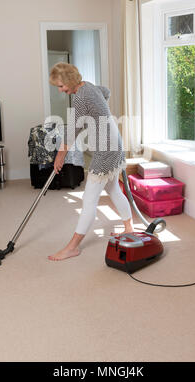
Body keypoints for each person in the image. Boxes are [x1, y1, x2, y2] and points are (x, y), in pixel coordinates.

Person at [48, 62, 133, 261]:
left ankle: (72, 247)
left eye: (61, 86)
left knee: (89, 199)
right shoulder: (89, 86)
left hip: (105, 151)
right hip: (115, 143)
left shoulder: (80, 98)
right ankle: (129, 228)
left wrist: (59, 157)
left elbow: (72, 131)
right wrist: (97, 118)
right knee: (114, 189)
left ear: (69, 80)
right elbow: (107, 91)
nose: (61, 90)